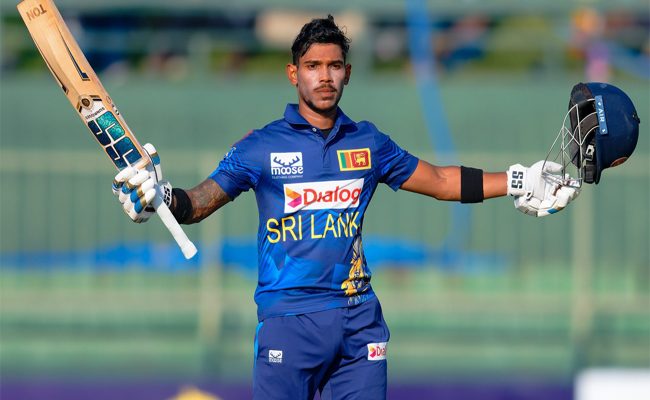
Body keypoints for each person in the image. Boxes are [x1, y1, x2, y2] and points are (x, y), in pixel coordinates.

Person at [112, 15, 579, 400]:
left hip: (359, 321)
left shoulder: (368, 142)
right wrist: (159, 197)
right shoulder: (260, 146)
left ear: (348, 73)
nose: (325, 76)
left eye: (334, 66)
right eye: (313, 66)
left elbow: (439, 181)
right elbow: (197, 203)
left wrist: (518, 180)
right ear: (293, 74)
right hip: (289, 320)